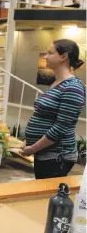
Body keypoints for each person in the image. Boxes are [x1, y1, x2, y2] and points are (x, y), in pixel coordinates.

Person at [21, 39, 85, 179]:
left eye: (50, 53)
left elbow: (60, 127)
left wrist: (33, 148)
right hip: (45, 154)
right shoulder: (56, 83)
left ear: (63, 57)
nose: (45, 56)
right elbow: (43, 116)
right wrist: (28, 141)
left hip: (57, 156)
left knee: (50, 198)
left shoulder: (73, 87)